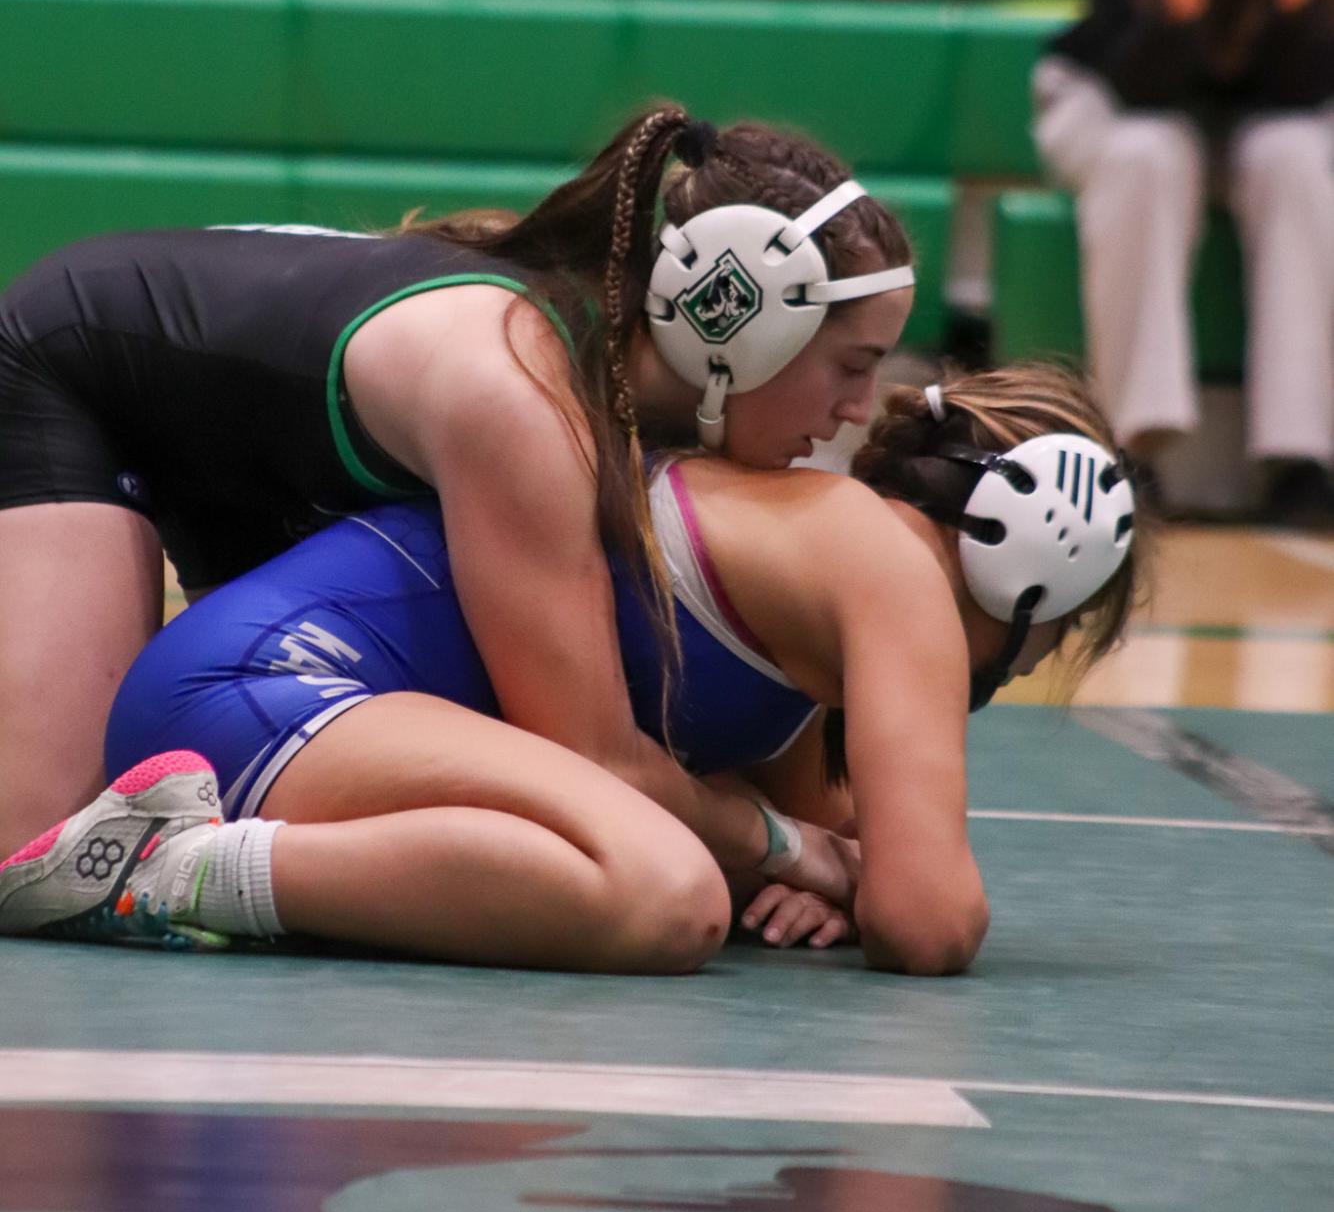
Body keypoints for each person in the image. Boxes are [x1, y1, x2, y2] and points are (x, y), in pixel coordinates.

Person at [0, 105, 916, 899]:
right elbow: (590, 756)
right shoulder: (524, 402)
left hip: (242, 453)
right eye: (853, 366)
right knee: (35, 850)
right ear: (745, 320)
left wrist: (828, 859)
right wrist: (793, 851)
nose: (857, 411)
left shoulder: (620, 380)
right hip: (73, 370)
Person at [0, 365, 1141, 976]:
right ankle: (165, 874)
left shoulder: (832, 573)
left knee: (665, 881)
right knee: (659, 892)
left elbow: (841, 847)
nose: (1032, 658)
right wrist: (824, 868)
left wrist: (817, 871)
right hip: (279, 686)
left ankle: (174, 857)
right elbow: (926, 919)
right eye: (1057, 631)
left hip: (266, 690)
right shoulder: (889, 572)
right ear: (1035, 568)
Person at [1033, 0, 1334, 524]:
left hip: (1269, 117)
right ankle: (1135, 447)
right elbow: (1133, 81)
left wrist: (1303, 5)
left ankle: (1302, 458)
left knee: (1299, 160)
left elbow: (1307, 93)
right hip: (1121, 97)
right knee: (1147, 156)